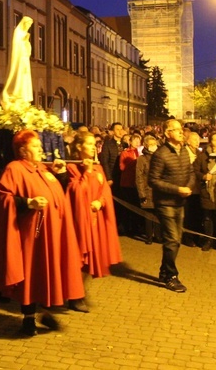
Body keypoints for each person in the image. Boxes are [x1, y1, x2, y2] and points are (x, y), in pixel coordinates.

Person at [0, 130, 84, 336]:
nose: (41, 149)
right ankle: (29, 318)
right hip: (32, 234)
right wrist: (28, 203)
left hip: (53, 233)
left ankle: (45, 310)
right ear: (22, 150)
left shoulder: (41, 168)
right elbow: (3, 198)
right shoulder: (14, 169)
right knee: (32, 274)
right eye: (35, 146)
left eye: (40, 145)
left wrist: (62, 174)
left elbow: (58, 194)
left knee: (47, 272)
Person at [66, 131, 122, 311]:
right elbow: (76, 191)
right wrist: (87, 172)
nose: (92, 147)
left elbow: (104, 189)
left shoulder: (98, 167)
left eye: (93, 144)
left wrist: (101, 201)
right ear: (79, 147)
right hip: (80, 222)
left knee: (91, 259)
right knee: (79, 259)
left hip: (95, 220)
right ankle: (75, 295)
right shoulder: (72, 167)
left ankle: (79, 292)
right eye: (88, 144)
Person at [148, 119, 194, 293]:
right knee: (172, 239)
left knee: (175, 241)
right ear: (167, 134)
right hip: (165, 203)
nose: (181, 132)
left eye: (181, 129)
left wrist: (189, 186)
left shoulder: (183, 151)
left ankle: (164, 270)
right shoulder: (161, 154)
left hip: (180, 202)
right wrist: (176, 189)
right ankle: (171, 276)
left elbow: (190, 171)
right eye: (176, 130)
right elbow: (153, 180)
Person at [136, 134, 160, 244]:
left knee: (158, 213)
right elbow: (139, 177)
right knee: (149, 215)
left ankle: (158, 235)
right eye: (150, 144)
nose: (153, 146)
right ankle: (149, 236)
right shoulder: (142, 159)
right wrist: (142, 194)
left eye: (154, 144)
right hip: (147, 190)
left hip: (158, 190)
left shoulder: (159, 157)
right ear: (145, 146)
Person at [118, 133, 142, 236]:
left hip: (137, 183)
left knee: (137, 207)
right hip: (127, 182)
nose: (137, 143)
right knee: (128, 206)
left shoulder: (140, 153)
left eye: (139, 141)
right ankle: (127, 228)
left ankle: (136, 228)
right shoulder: (125, 153)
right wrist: (135, 162)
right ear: (130, 142)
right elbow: (122, 167)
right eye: (135, 140)